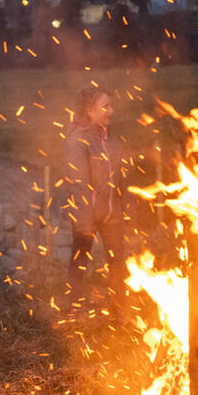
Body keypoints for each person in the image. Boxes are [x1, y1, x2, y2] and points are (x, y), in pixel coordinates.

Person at [62, 86, 127, 304]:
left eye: (111, 105)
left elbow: (120, 179)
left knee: (119, 263)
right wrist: (84, 222)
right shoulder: (78, 141)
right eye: (105, 107)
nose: (112, 111)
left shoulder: (110, 139)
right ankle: (74, 309)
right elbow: (78, 184)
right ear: (90, 111)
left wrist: (125, 208)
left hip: (112, 214)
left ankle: (121, 310)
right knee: (79, 262)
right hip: (86, 214)